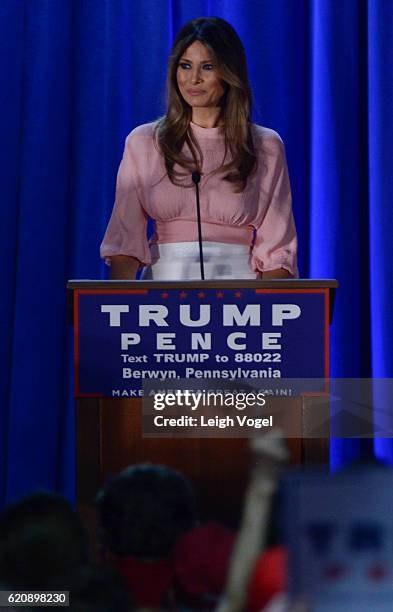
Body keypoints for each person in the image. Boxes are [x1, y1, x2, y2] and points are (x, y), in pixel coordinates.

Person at [100, 16, 298, 281]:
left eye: (207, 67)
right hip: (160, 300)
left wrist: (271, 315)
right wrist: (119, 315)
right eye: (185, 66)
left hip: (241, 303)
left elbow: (277, 250)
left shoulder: (265, 145)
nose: (193, 79)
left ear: (229, 73)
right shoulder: (144, 142)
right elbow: (125, 243)